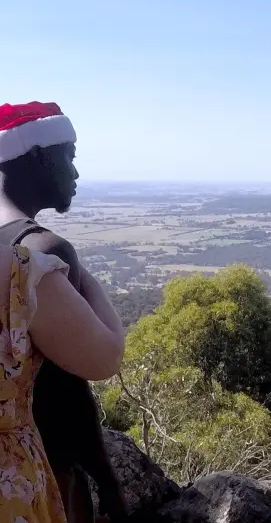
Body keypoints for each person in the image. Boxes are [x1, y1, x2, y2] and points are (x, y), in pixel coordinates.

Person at [0, 101, 129, 522]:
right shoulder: (42, 252)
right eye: (68, 157)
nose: (74, 173)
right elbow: (73, 383)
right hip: (32, 470)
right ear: (36, 156)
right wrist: (106, 480)